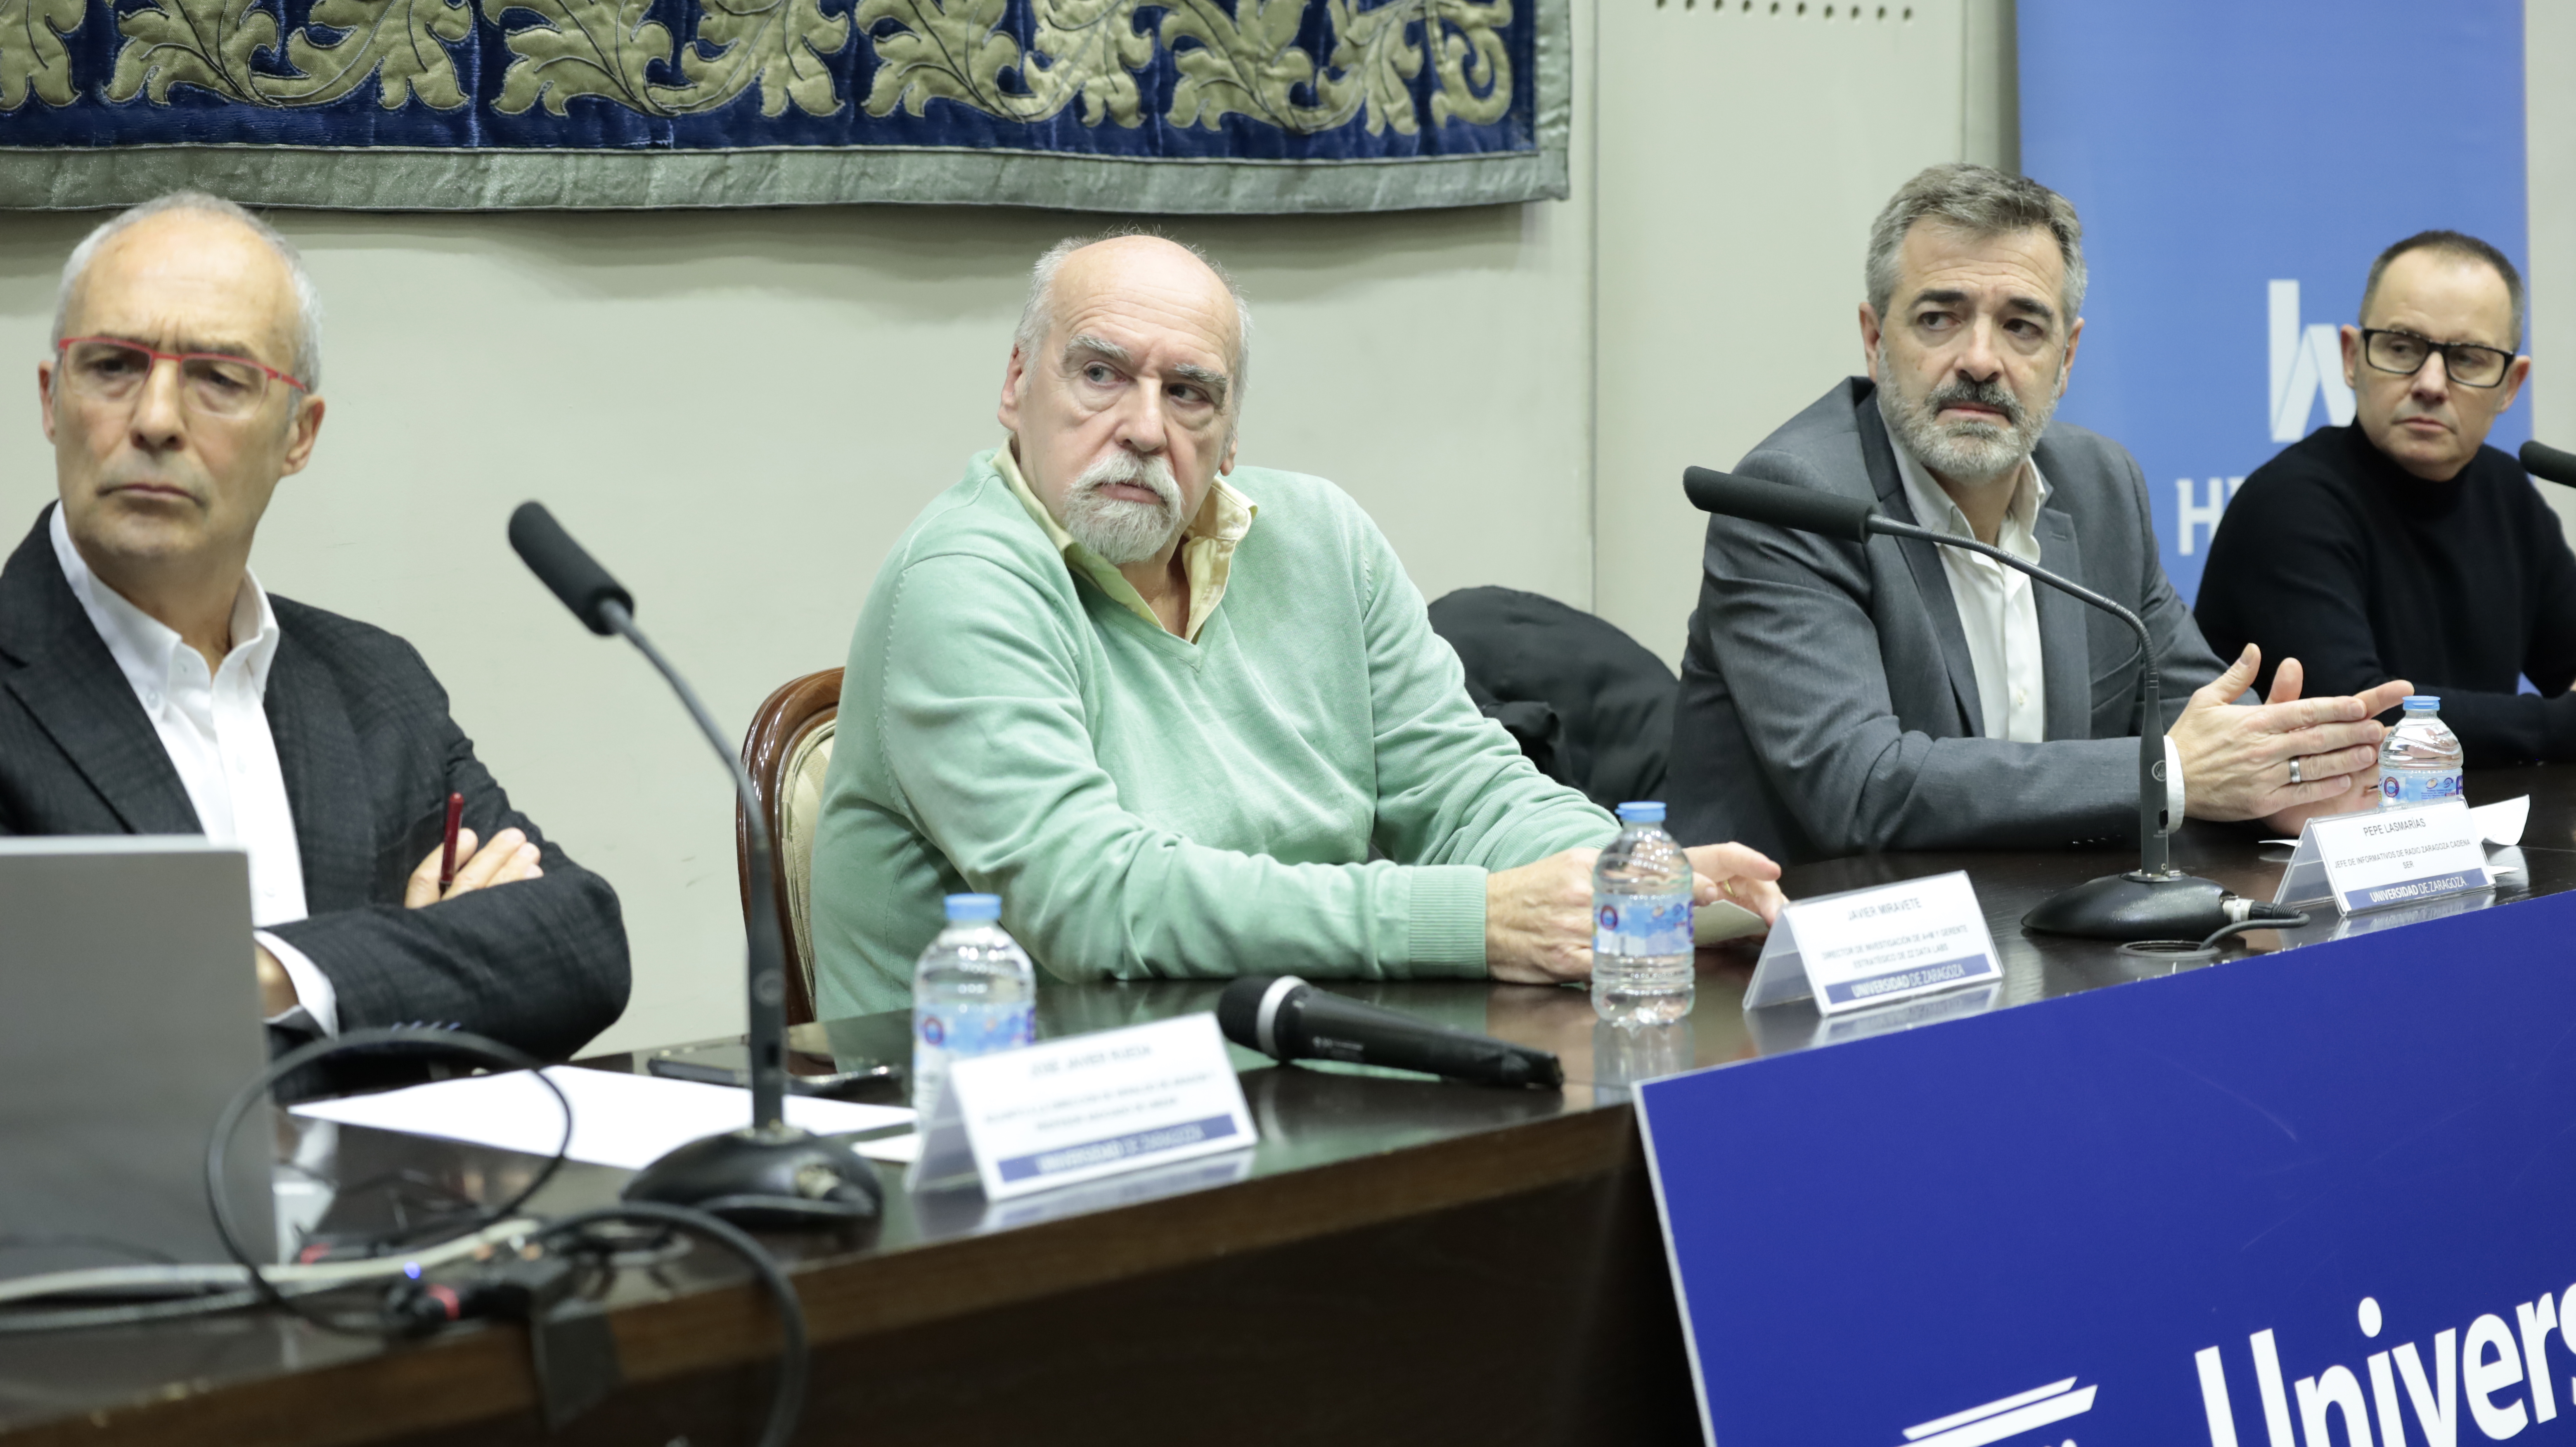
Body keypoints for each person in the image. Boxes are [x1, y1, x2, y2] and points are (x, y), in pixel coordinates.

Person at [809, 232, 1783, 1015]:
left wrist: (1625, 879)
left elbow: (1463, 790)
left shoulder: (1319, 536)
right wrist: (1479, 920)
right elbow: (1094, 903)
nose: (1144, 427)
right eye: (1101, 374)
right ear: (1017, 384)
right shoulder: (960, 582)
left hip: (1290, 1061)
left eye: (1188, 393)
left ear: (1230, 435)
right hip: (998, 1119)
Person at [0, 192, 627, 1061]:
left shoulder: (375, 682)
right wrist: (411, 963)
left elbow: (579, 941)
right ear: (51, 400)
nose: (155, 420)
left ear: (299, 435)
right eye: (113, 366)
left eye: (219, 379)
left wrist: (270, 974)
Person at [1665, 164, 2410, 863]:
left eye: (2022, 326)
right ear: (1874, 339)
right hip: (1807, 939)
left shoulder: (2100, 485)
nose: (1980, 360)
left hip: (2035, 917)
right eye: (1939, 318)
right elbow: (1862, 788)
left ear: (2068, 357)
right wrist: (2168, 774)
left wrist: (2287, 776)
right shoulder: (1797, 500)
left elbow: (2194, 710)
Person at [2196, 231, 2576, 767]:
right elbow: (2364, 718)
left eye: (2468, 359)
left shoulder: (2506, 491)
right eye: (2402, 348)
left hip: (2473, 816)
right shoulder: (2288, 505)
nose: (2431, 383)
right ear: (2352, 357)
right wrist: (2561, 725)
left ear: (2511, 385)